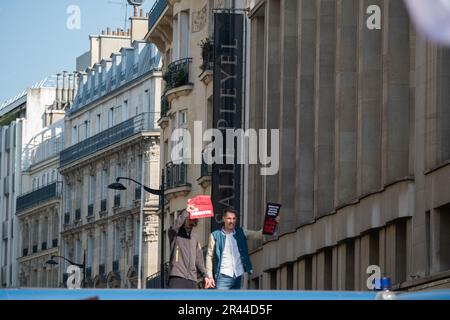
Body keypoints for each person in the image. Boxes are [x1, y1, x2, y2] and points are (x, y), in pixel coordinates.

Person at [205, 208, 280, 290]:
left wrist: (273, 223)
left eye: (234, 219)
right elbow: (209, 256)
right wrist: (209, 276)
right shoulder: (215, 235)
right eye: (229, 218)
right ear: (223, 219)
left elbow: (258, 235)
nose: (232, 221)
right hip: (223, 276)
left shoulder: (241, 232)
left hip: (238, 276)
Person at [168, 209, 214, 289]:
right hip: (177, 276)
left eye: (194, 220)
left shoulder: (194, 236)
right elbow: (173, 227)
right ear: (184, 219)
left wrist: (205, 276)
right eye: (189, 219)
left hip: (192, 278)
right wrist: (187, 211)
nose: (191, 222)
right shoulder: (175, 234)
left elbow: (199, 259)